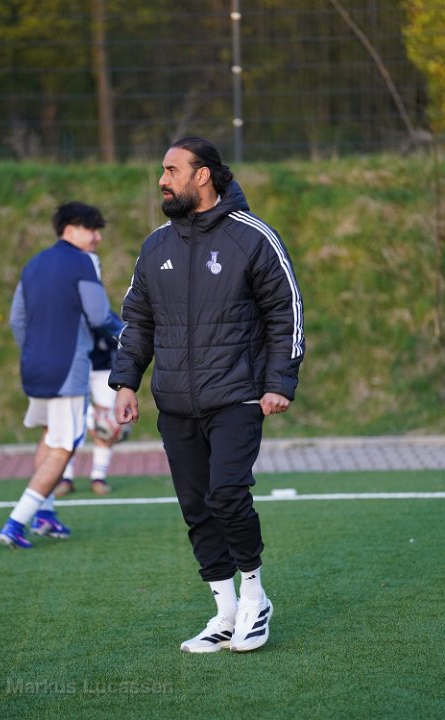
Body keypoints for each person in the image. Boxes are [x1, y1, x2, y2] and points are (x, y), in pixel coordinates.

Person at [109, 137, 305, 653]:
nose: (162, 179)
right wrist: (126, 381)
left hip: (237, 395)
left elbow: (286, 310)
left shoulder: (253, 236)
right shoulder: (156, 246)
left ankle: (255, 597)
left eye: (171, 170)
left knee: (226, 495)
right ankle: (223, 611)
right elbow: (137, 321)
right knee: (196, 506)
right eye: (162, 170)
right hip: (175, 402)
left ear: (203, 176)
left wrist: (278, 381)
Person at [0, 201, 123, 549]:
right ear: (70, 229)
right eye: (92, 229)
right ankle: (16, 522)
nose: (97, 237)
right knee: (65, 446)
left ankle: (45, 513)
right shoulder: (82, 262)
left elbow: (16, 320)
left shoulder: (34, 263)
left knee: (49, 436)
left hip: (34, 365)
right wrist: (130, 332)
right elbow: (99, 315)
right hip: (67, 367)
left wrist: (35, 349)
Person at [55, 328, 132, 498]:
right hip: (72, 364)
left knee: (106, 423)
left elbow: (107, 322)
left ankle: (98, 477)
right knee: (67, 421)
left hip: (103, 364)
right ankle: (65, 477)